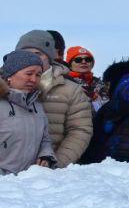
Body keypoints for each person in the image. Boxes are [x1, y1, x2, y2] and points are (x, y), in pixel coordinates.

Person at [15, 29, 93, 167]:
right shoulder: (3, 85)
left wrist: (56, 163)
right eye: (26, 53)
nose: (32, 58)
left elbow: (80, 130)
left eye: (38, 54)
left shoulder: (71, 90)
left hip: (51, 177)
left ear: (49, 57)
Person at [1, 51, 58, 174]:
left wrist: (46, 156)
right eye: (29, 73)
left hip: (28, 185)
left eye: (38, 75)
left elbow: (45, 140)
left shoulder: (37, 105)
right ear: (9, 75)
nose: (34, 79)